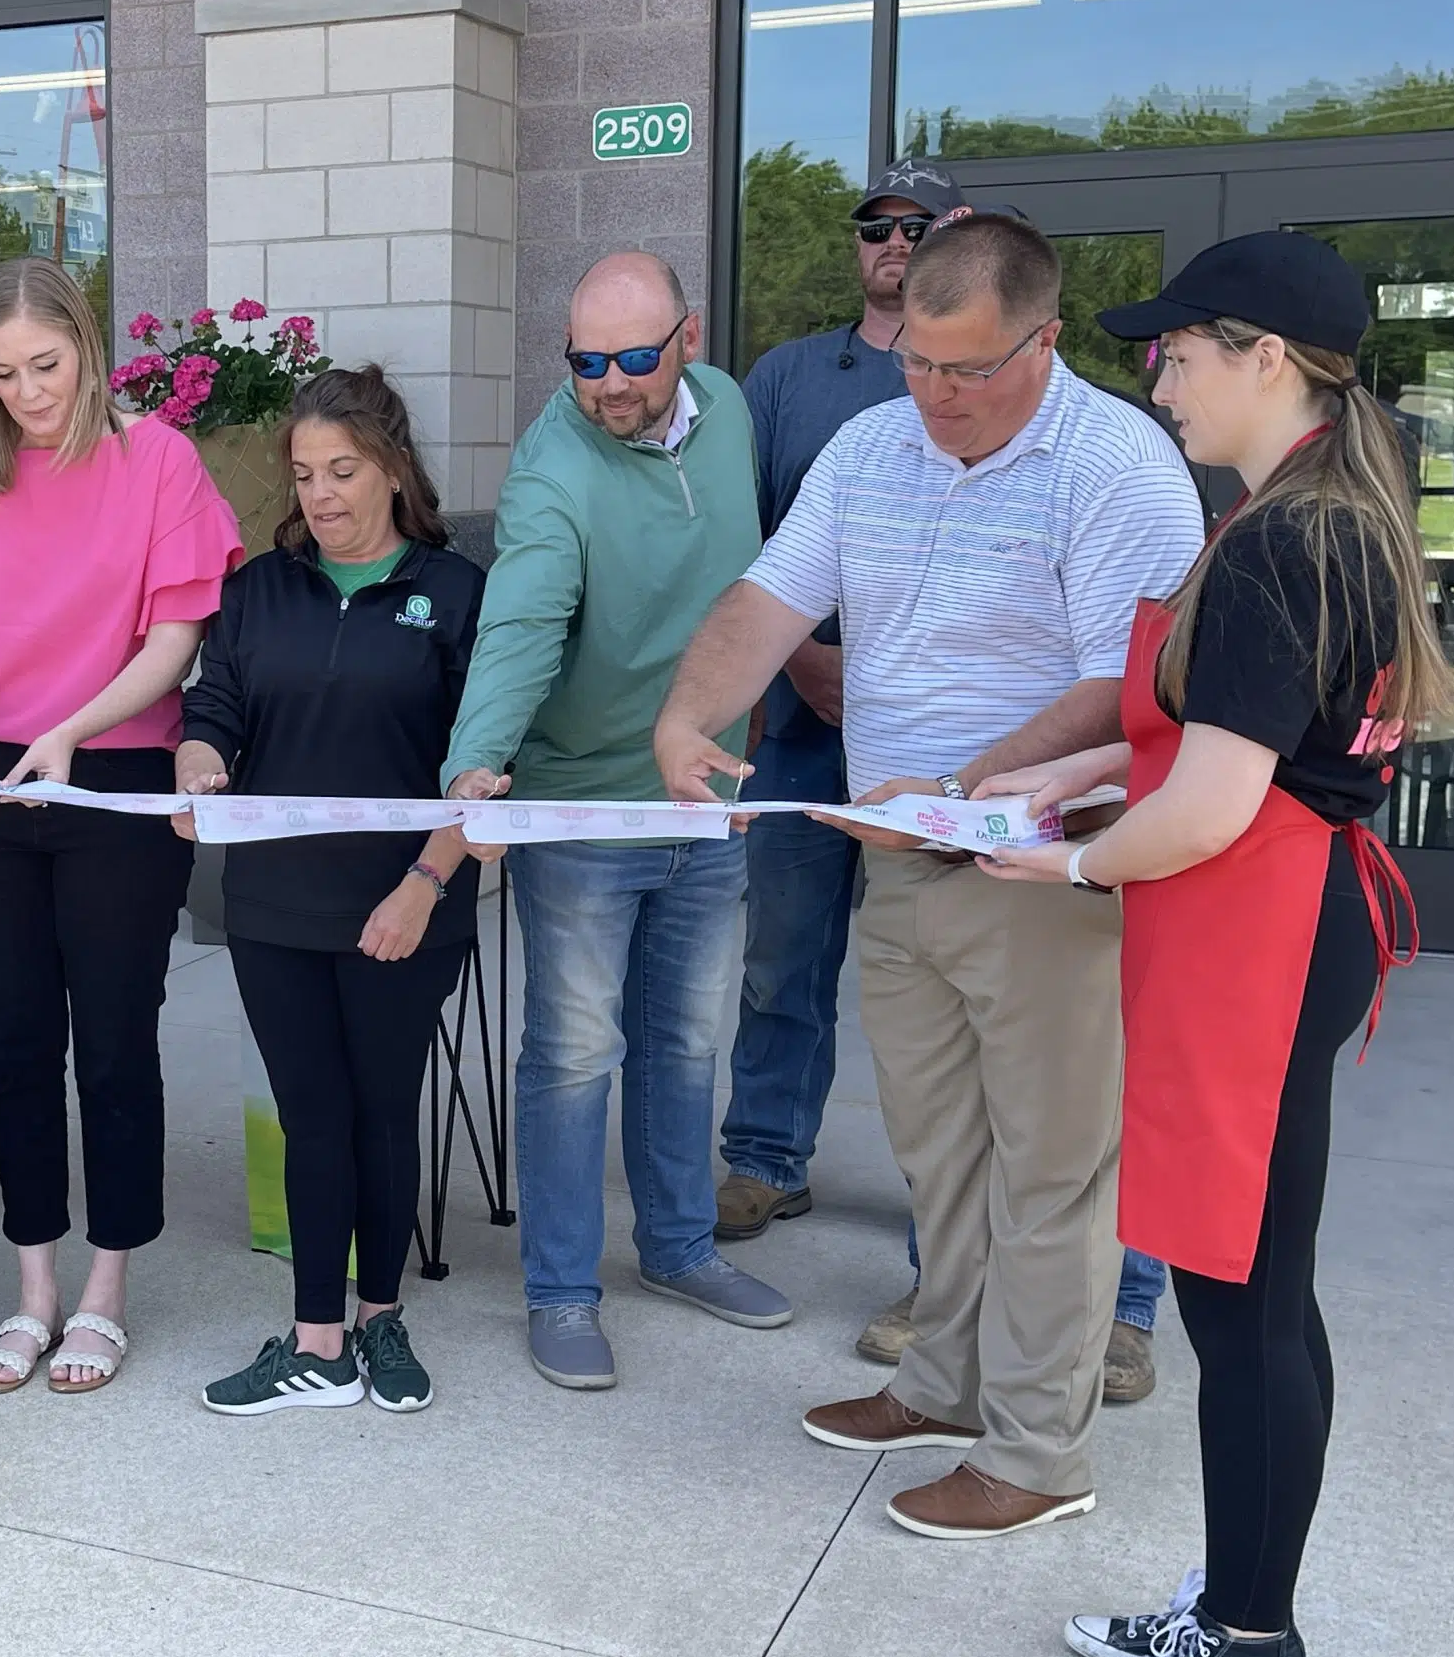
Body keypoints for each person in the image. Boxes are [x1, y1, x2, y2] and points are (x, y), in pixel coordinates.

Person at [655, 211, 1204, 1539]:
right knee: (942, 1155)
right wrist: (685, 719)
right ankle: (947, 1380)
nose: (941, 397)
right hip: (897, 861)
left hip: (1038, 876)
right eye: (919, 364)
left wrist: (958, 794)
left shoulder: (1119, 467)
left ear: (1047, 338)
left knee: (1051, 1169)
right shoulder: (872, 445)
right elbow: (770, 601)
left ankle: (1036, 1450)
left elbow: (1117, 692)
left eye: (972, 370)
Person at [970, 234, 1437, 1657]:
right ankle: (1246, 1601)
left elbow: (1221, 805)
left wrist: (1065, 864)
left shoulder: (1289, 542)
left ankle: (1244, 1654)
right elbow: (1231, 739)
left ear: (1266, 359)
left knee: (1244, 1309)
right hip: (1278, 922)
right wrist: (1089, 764)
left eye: (1177, 348)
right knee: (1254, 1292)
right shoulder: (1306, 522)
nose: (1155, 372)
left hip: (1259, 930)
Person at [441, 251, 791, 1396]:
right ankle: (558, 1290)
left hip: (704, 794)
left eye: (635, 357)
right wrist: (475, 759)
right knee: (574, 1054)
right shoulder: (552, 473)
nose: (610, 384)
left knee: (689, 1039)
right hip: (582, 803)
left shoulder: (729, 408)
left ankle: (681, 1247)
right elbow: (521, 620)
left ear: (687, 339)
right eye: (585, 362)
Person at [0, 256, 242, 1394]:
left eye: (43, 366)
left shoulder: (157, 458)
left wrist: (69, 729)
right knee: (12, 1046)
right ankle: (32, 1289)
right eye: (1, 374)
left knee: (110, 1039)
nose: (26, 394)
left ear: (85, 348)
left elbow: (175, 637)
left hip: (115, 771)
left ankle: (106, 1288)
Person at [177, 366, 485, 1416]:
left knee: (378, 1113)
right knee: (311, 1116)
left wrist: (421, 887)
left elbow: (481, 768)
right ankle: (315, 1341)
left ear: (394, 468)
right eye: (304, 474)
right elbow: (213, 707)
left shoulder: (455, 595)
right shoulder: (257, 589)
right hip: (273, 908)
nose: (319, 494)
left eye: (341, 470)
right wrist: (196, 763)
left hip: (403, 906)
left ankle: (381, 1322)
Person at [717, 161, 936, 1240]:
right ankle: (763, 1156)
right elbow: (740, 534)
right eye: (875, 227)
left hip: (944, 739)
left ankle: (943, 1204)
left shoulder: (988, 376)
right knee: (783, 956)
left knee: (941, 983)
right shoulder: (789, 378)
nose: (893, 243)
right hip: (807, 725)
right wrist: (796, 657)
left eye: (916, 226)